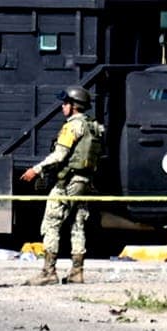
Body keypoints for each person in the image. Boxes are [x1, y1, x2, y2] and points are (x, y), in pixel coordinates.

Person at [20, 86, 104, 285]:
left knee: (51, 223)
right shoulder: (94, 126)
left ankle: (48, 272)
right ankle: (77, 271)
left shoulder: (72, 127)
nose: (62, 107)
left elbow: (60, 155)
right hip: (84, 182)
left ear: (74, 106)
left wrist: (37, 169)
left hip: (67, 181)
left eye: (65, 103)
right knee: (77, 224)